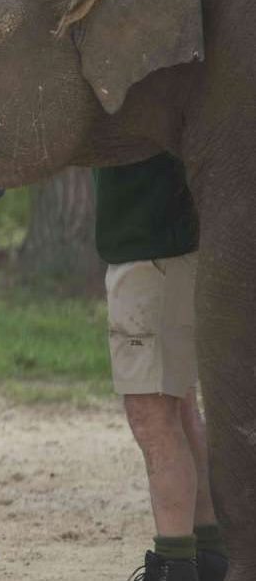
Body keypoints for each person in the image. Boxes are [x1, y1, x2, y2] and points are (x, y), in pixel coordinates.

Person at [94, 154, 228, 581]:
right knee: (180, 406)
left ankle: (175, 564)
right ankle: (206, 552)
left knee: (152, 416)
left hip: (149, 249)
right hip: (168, 248)